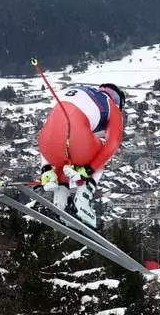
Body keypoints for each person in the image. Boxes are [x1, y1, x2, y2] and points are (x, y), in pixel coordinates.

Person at [36, 82, 125, 228]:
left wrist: (45, 168)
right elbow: (112, 145)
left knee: (63, 160)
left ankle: (60, 202)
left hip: (46, 145)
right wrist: (87, 171)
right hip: (76, 141)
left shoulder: (80, 92)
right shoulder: (112, 106)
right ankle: (82, 203)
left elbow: (50, 130)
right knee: (101, 154)